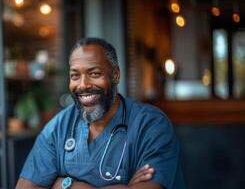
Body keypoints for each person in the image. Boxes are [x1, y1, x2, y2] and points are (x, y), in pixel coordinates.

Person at [16, 37, 185, 189]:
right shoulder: (59, 126)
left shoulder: (150, 125)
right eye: (75, 76)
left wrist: (63, 185)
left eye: (94, 74)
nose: (83, 85)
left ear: (116, 75)